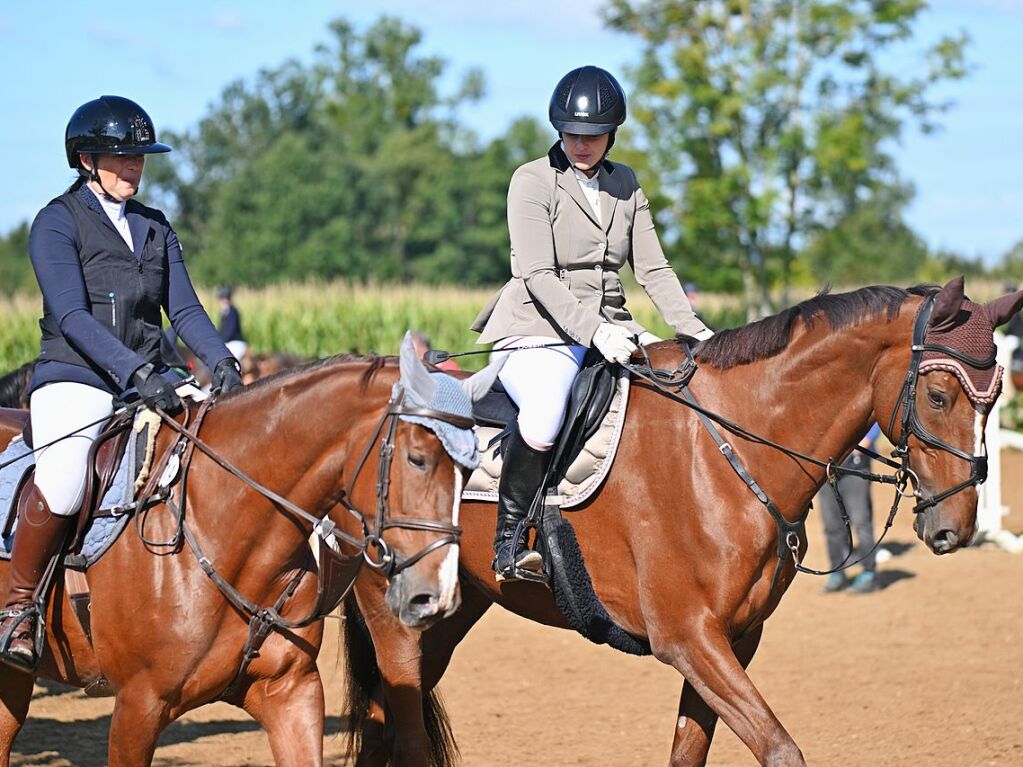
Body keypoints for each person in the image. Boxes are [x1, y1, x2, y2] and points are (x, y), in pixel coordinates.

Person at [0, 96, 243, 672]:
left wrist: (221, 364)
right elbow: (73, 315)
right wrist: (135, 372)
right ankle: (17, 607)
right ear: (86, 159)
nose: (133, 167)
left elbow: (184, 311)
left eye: (139, 158)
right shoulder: (56, 223)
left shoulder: (156, 228)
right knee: (62, 480)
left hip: (150, 378)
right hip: (75, 376)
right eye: (121, 157)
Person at [471, 65, 713, 582]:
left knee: (681, 387)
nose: (582, 145)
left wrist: (695, 332)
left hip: (614, 325)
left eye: (594, 136)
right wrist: (595, 331)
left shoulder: (626, 184)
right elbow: (536, 274)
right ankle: (508, 541)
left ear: (612, 133)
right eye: (573, 135)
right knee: (543, 413)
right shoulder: (532, 181)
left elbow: (652, 268)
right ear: (559, 130)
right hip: (539, 329)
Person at [818, 423, 882, 594]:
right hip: (827, 470)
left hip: (856, 469)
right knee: (832, 526)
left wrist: (868, 439)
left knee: (861, 523)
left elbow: (875, 416)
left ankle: (869, 573)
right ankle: (837, 572)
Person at [216, 284, 248, 362]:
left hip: (235, 343)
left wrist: (221, 341)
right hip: (228, 343)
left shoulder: (233, 312)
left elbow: (231, 330)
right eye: (222, 299)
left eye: (226, 298)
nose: (224, 301)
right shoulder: (223, 313)